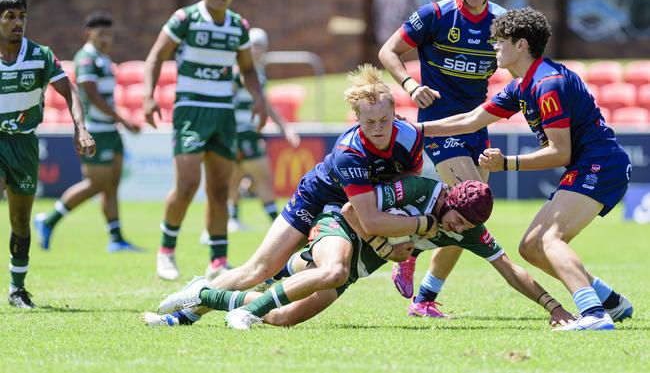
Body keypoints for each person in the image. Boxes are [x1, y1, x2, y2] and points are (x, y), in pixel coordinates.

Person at [420, 7, 633, 331]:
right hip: (589, 164)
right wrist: (416, 131)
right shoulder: (522, 86)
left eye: (500, 42)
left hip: (601, 164)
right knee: (531, 246)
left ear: (521, 45)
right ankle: (611, 302)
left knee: (551, 239)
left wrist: (507, 164)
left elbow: (560, 152)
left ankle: (592, 315)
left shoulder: (548, 84)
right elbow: (470, 120)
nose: (494, 49)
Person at [144, 177, 574, 329]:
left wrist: (552, 306)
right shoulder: (419, 190)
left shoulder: (468, 231)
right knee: (326, 269)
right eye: (456, 220)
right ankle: (228, 305)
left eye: (465, 228)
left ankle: (203, 296)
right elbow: (354, 208)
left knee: (281, 317)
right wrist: (390, 246)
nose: (457, 230)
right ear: (448, 200)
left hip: (357, 267)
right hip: (340, 228)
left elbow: (509, 269)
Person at [175, 63, 431, 309]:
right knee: (260, 269)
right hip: (316, 198)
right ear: (356, 118)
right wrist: (393, 243)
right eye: (369, 122)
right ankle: (193, 301)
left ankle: (212, 300)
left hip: (346, 208)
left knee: (321, 274)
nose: (377, 129)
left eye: (384, 120)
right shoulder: (349, 150)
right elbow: (367, 218)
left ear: (395, 114)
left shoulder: (408, 137)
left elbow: (410, 180)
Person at [378, 0, 507, 317]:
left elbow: (521, 69)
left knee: (470, 214)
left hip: (476, 127)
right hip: (438, 126)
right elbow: (389, 50)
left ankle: (424, 296)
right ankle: (408, 259)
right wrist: (409, 84)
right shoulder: (435, 15)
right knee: (472, 207)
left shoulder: (501, 22)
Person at [142, 0, 268, 281]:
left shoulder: (238, 26)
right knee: (186, 185)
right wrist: (148, 95)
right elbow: (157, 55)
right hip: (191, 110)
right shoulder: (185, 19)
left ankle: (217, 260)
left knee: (220, 188)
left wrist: (260, 99)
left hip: (223, 113)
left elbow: (248, 68)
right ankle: (166, 251)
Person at [0, 0, 95, 308]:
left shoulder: (40, 55)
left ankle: (17, 289)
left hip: (25, 143)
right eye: (9, 16)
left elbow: (69, 90)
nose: (17, 23)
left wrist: (80, 127)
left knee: (20, 221)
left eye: (21, 17)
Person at [34, 11, 141, 252]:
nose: (106, 39)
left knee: (112, 184)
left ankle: (116, 239)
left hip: (110, 130)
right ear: (88, 34)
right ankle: (48, 220)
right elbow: (91, 94)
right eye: (100, 34)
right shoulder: (86, 58)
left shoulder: (104, 58)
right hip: (95, 130)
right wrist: (123, 118)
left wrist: (118, 121)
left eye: (109, 34)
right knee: (95, 183)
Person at [225, 27, 300, 232]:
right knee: (261, 176)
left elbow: (265, 104)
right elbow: (227, 93)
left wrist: (285, 128)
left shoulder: (257, 72)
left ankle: (233, 219)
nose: (256, 50)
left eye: (260, 46)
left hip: (248, 131)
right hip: (238, 131)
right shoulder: (240, 69)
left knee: (239, 175)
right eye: (253, 45)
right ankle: (278, 223)